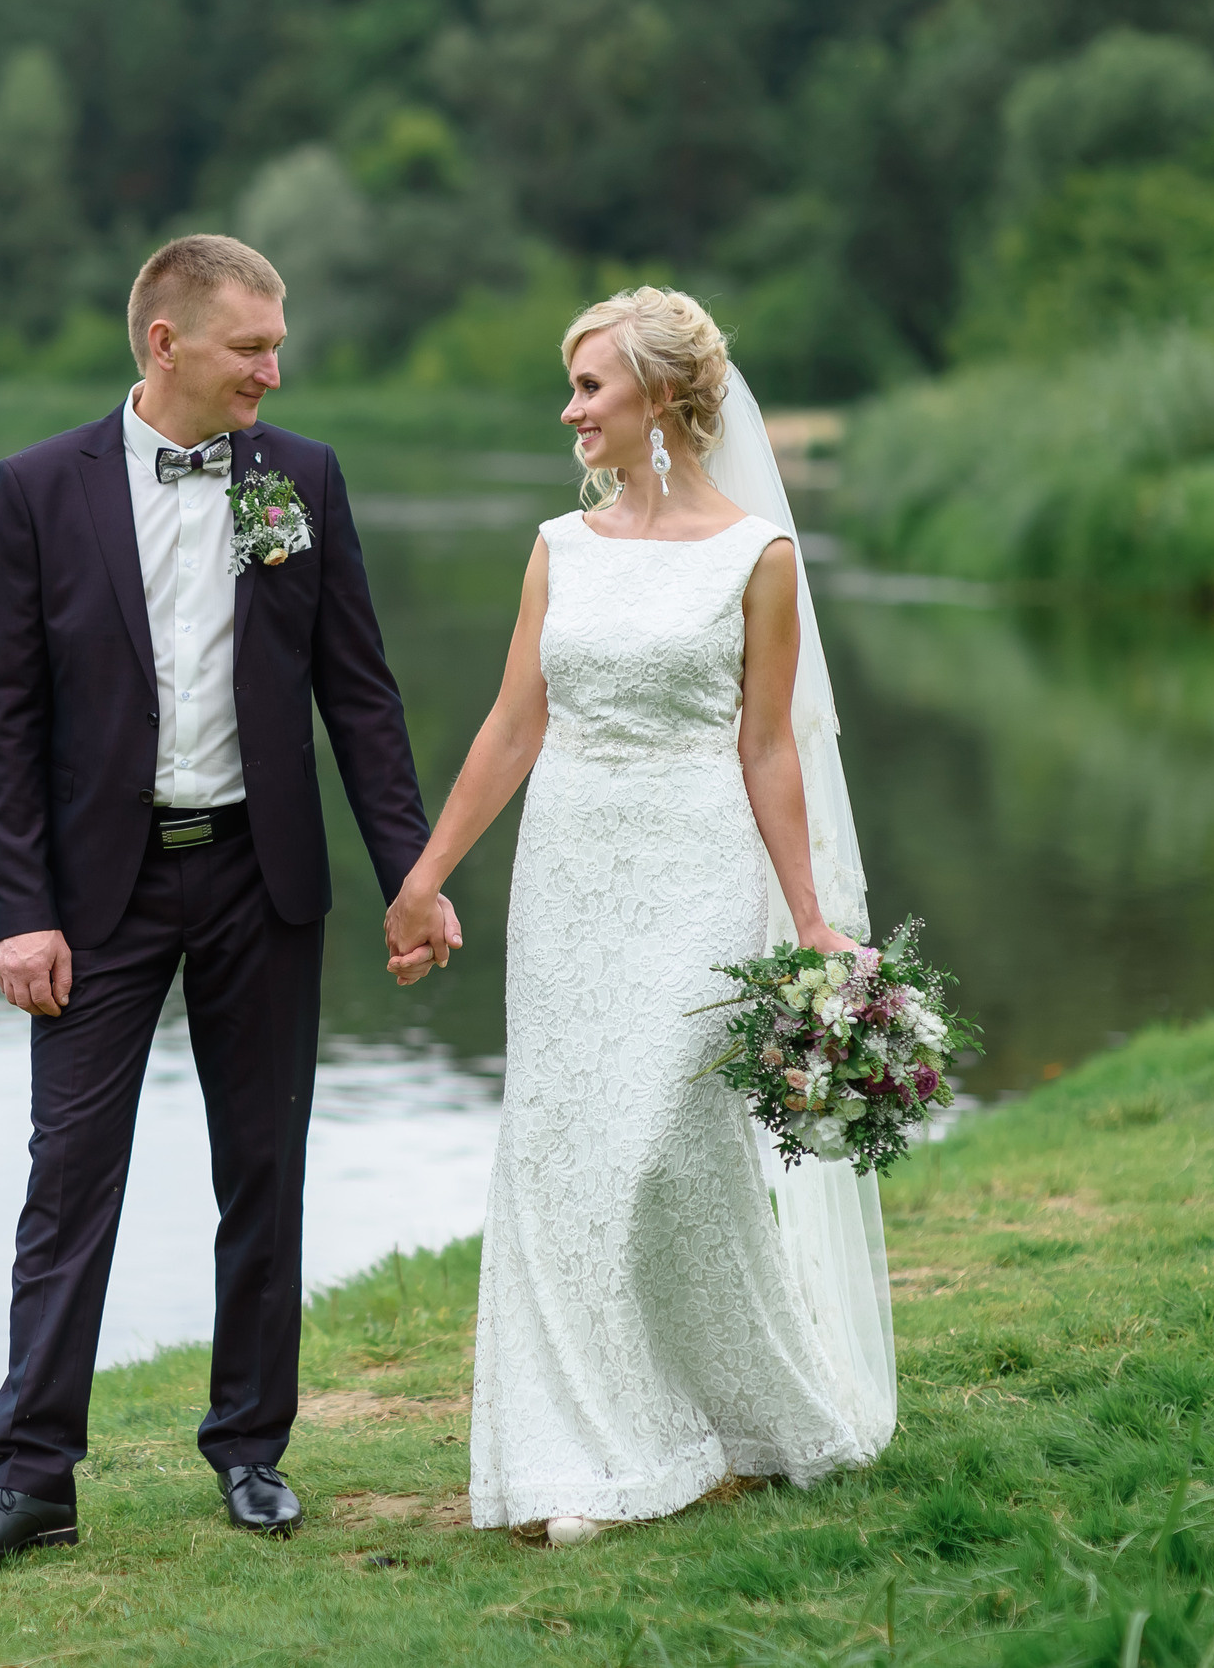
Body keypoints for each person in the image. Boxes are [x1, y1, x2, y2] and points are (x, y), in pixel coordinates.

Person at [0, 235, 456, 1562]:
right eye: (251, 349)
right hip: (95, 898)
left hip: (261, 880)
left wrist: (414, 874)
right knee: (70, 1178)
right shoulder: (38, 488)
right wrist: (18, 912)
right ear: (166, 345)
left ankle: (251, 1450)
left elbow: (361, 698)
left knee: (262, 1170)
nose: (273, 372)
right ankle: (32, 1476)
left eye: (277, 348)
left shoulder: (301, 481)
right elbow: (7, 723)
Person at [383, 288, 897, 1543]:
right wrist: (427, 871)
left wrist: (812, 919)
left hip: (697, 868)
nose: (569, 411)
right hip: (569, 869)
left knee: (662, 1141)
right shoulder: (559, 545)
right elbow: (516, 723)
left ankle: (724, 1412)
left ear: (661, 397)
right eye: (569, 388)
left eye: (589, 388)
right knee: (564, 1150)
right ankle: (586, 1453)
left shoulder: (756, 559)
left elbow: (767, 747)